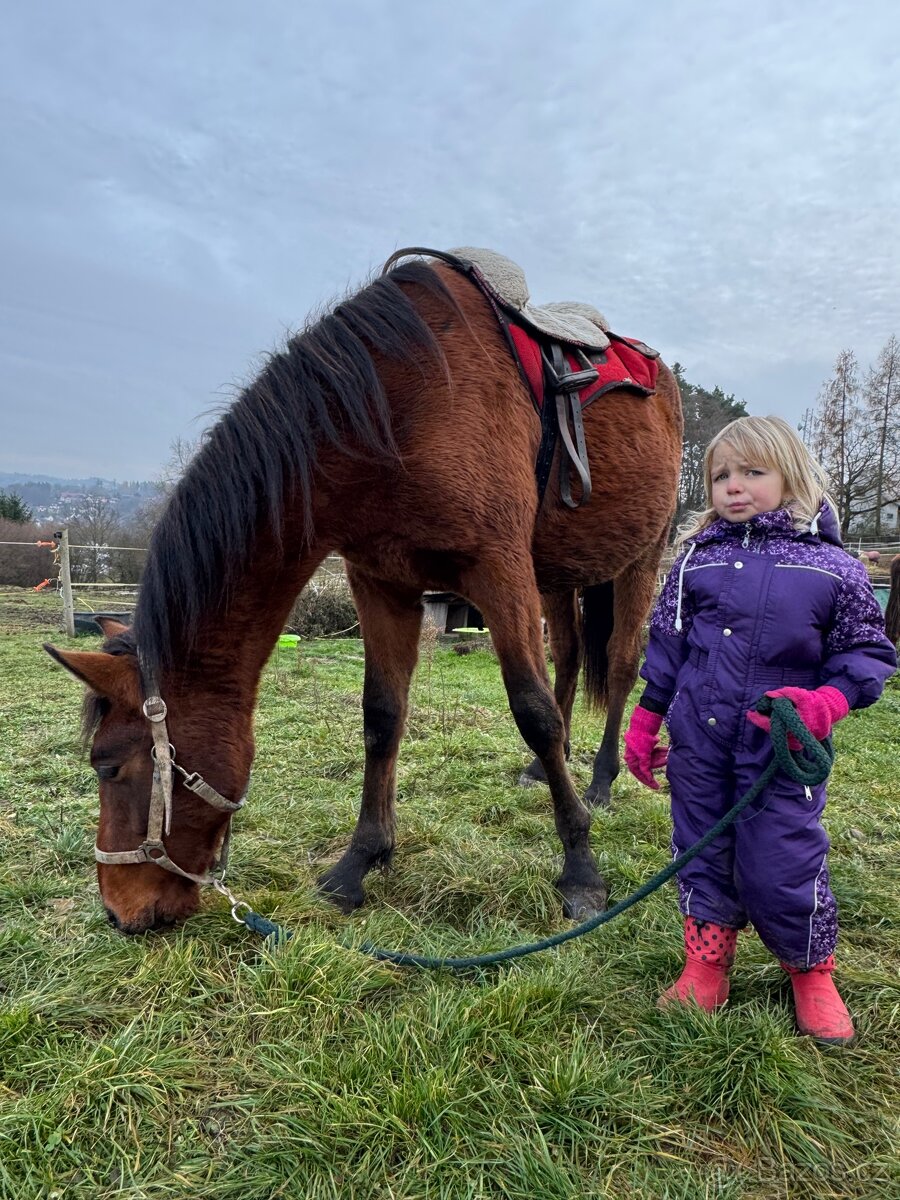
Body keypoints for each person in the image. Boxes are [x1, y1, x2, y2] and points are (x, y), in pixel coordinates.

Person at [624, 415, 896, 1045]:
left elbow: (866, 653)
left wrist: (827, 701)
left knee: (782, 861)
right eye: (720, 475)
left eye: (752, 472)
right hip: (698, 742)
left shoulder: (835, 569)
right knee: (700, 849)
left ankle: (808, 969)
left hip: (778, 747)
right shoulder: (694, 561)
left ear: (791, 475)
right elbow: (668, 647)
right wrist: (645, 722)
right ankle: (707, 961)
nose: (733, 487)